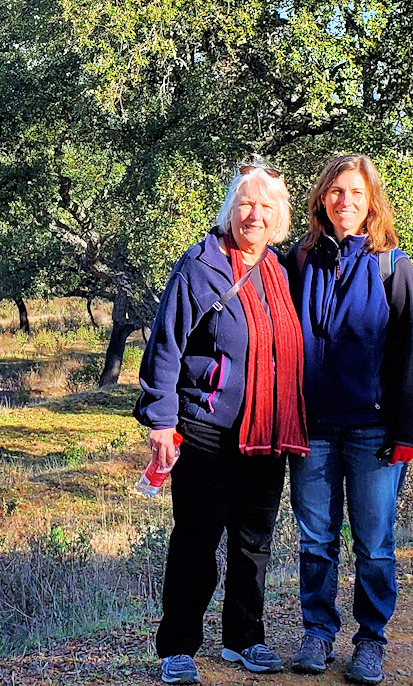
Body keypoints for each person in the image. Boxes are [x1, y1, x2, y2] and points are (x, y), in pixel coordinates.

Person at [135, 163, 309, 684]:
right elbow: (166, 348)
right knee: (197, 538)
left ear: (279, 216)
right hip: (210, 430)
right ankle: (179, 646)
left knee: (253, 542)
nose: (254, 215)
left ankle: (244, 638)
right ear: (231, 209)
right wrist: (161, 421)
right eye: (245, 204)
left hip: (268, 432)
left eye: (265, 207)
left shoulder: (280, 270)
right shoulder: (200, 265)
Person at [284, 155, 413, 685]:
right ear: (323, 197)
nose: (345, 201)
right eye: (336, 191)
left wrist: (406, 432)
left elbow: (408, 356)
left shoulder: (393, 267)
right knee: (315, 539)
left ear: (372, 203)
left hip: (374, 431)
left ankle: (370, 641)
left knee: (374, 542)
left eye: (357, 194)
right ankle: (317, 633)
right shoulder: (297, 262)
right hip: (313, 429)